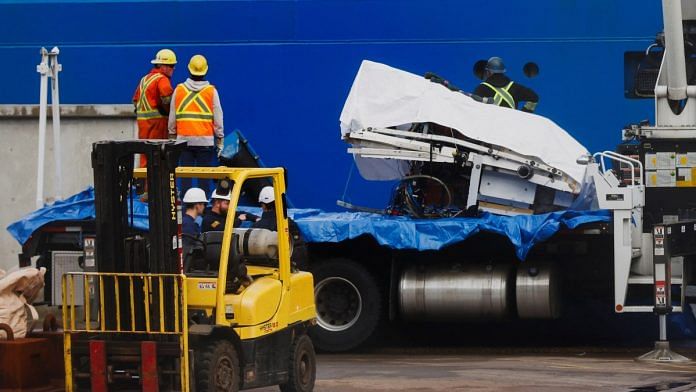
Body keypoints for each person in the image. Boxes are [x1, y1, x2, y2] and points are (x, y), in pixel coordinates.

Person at [169, 54, 224, 194]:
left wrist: (172, 136)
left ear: (189, 70)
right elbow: (218, 118)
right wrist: (220, 140)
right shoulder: (211, 91)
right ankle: (203, 206)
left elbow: (172, 116)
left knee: (185, 176)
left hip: (183, 141)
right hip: (205, 142)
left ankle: (188, 205)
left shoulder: (179, 90)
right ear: (205, 71)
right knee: (203, 177)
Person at [132, 49, 176, 167]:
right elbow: (167, 99)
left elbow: (135, 101)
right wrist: (169, 114)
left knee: (145, 158)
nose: (173, 68)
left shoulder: (144, 79)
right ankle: (155, 186)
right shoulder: (162, 79)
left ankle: (143, 184)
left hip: (143, 126)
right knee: (159, 159)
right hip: (158, 125)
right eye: (171, 65)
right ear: (163, 66)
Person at [473, 57, 539, 113]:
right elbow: (534, 97)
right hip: (512, 126)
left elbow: (475, 112)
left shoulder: (481, 89)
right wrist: (523, 115)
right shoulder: (514, 87)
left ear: (487, 72)